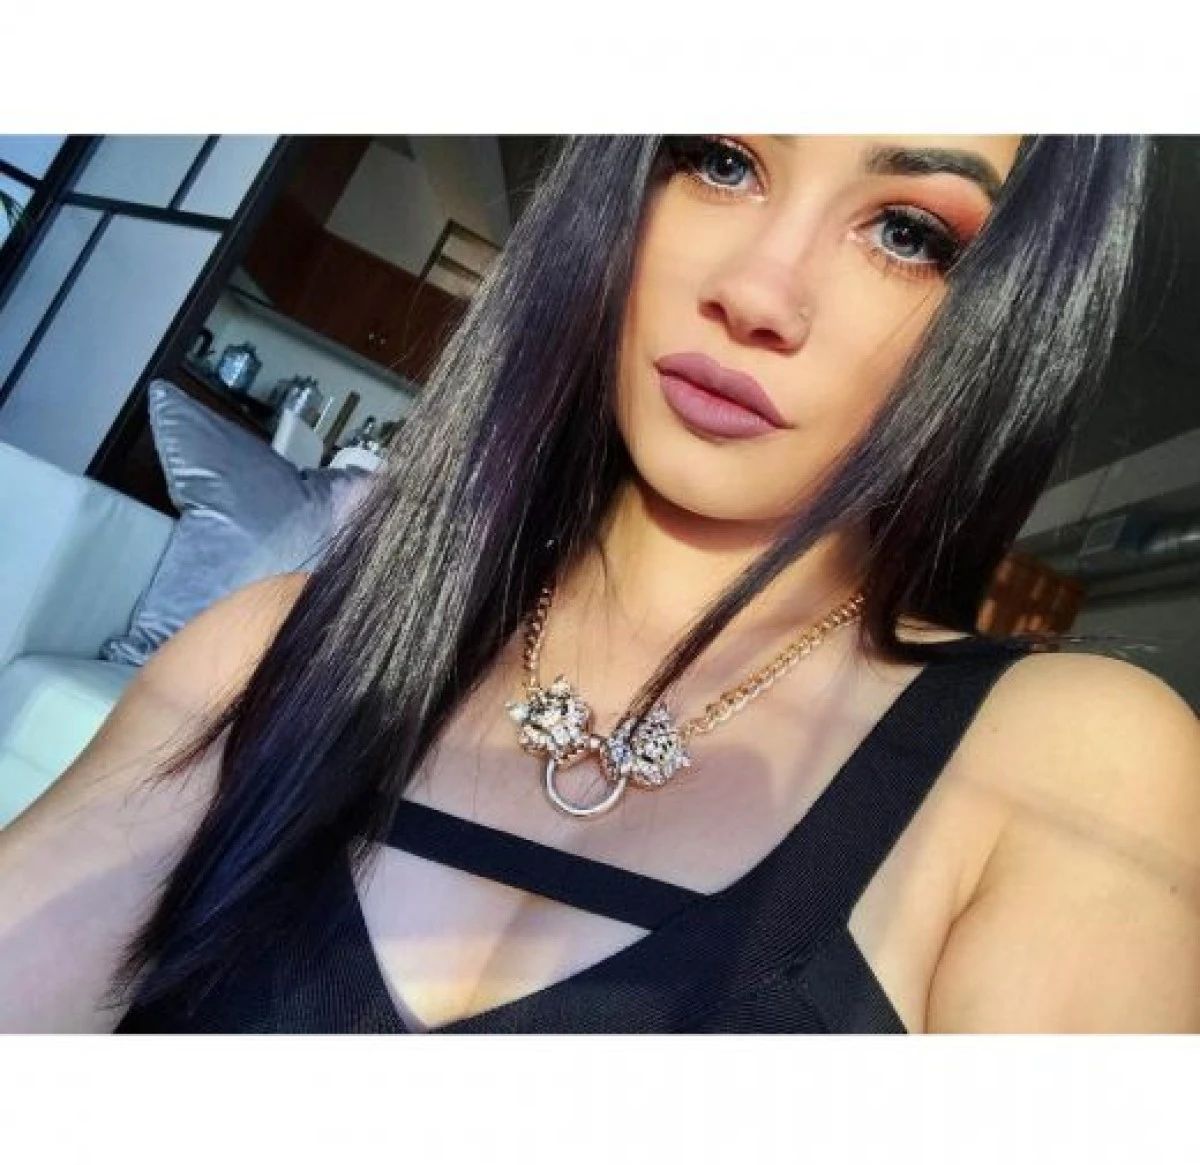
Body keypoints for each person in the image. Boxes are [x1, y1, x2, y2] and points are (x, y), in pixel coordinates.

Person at [2, 135, 1198, 1034]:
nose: (757, 293)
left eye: (907, 233)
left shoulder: (1067, 767)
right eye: (721, 161)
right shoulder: (267, 653)